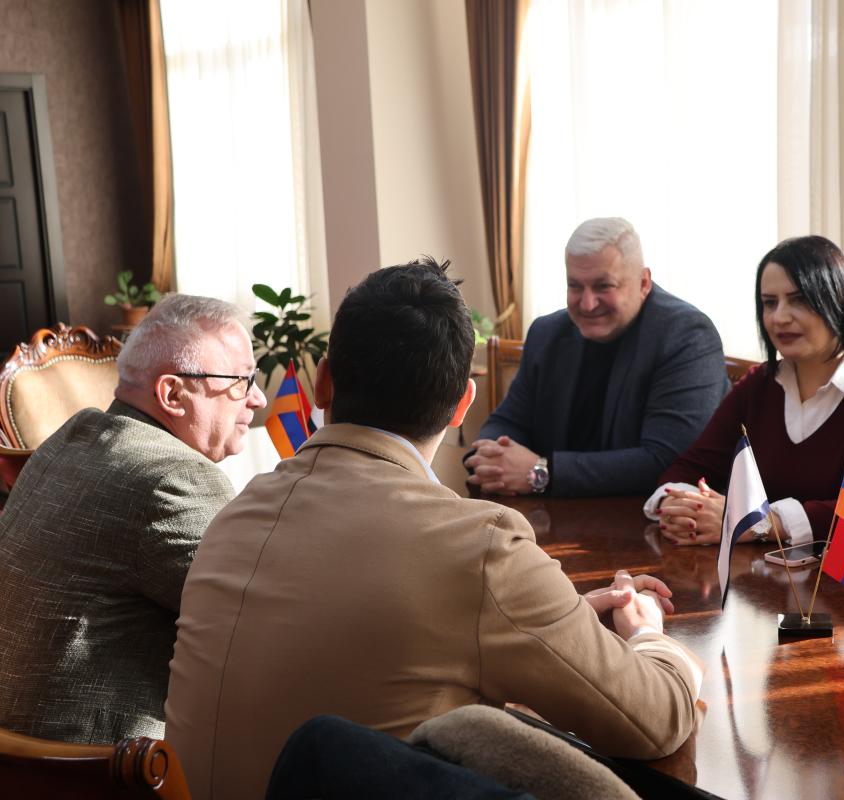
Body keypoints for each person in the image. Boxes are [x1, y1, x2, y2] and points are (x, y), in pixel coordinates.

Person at [166, 258, 704, 800]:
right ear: (462, 404)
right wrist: (650, 635)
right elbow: (656, 721)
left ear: (323, 381)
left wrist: (558, 624)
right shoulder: (479, 547)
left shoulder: (233, 515)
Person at [0, 294, 266, 743]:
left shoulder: (73, 433)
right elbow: (260, 621)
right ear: (172, 394)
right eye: (242, 381)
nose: (258, 398)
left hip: (17, 749)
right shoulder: (175, 479)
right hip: (98, 767)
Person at [646, 236, 844, 547]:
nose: (779, 317)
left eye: (799, 300)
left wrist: (762, 523)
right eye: (769, 303)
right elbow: (690, 467)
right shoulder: (758, 385)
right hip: (761, 569)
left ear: (838, 301)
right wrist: (681, 507)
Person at [466, 217, 727, 497]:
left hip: (649, 517)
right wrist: (491, 458)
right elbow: (508, 421)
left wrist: (541, 473)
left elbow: (666, 460)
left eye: (604, 286)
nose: (587, 304)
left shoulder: (686, 336)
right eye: (575, 286)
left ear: (643, 283)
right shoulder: (547, 333)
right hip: (550, 515)